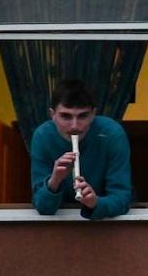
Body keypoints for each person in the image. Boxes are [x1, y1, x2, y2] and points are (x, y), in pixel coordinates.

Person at [30, 79, 132, 218]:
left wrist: (95, 203)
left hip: (107, 230)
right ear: (52, 115)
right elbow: (42, 206)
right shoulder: (42, 136)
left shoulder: (112, 134)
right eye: (66, 116)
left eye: (83, 116)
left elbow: (122, 199)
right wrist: (54, 181)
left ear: (93, 114)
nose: (74, 126)